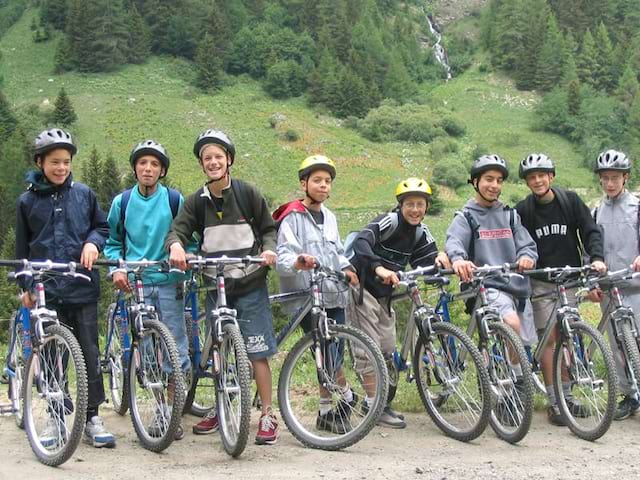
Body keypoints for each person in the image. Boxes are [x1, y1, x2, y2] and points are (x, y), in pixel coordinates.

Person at [165, 129, 279, 445]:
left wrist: (269, 250)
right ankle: (222, 404)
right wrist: (176, 246)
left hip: (250, 283)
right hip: (216, 284)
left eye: (218, 156)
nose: (213, 162)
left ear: (228, 160)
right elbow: (178, 231)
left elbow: (269, 230)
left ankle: (268, 414)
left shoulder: (247, 194)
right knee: (219, 349)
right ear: (202, 164)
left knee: (257, 352)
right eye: (207, 158)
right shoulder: (196, 202)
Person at [15, 128, 115, 448]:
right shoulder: (26, 201)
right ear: (40, 162)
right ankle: (57, 418)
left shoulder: (84, 194)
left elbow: (101, 226)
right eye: (54, 162)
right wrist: (27, 286)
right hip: (46, 291)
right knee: (52, 357)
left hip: (81, 286)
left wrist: (92, 244)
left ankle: (91, 418)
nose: (61, 168)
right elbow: (22, 253)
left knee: (88, 352)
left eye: (66, 162)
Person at [104, 140, 193, 440]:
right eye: (143, 163)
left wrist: (186, 258)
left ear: (162, 170)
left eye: (154, 164)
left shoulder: (174, 200)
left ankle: (171, 409)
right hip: (136, 283)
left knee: (175, 348)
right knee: (146, 351)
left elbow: (187, 237)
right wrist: (116, 267)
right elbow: (114, 242)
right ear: (135, 168)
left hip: (168, 282)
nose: (148, 168)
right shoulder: (123, 202)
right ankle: (159, 408)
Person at [348, 177, 450, 428]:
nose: (415, 209)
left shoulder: (420, 232)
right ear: (400, 206)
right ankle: (375, 407)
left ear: (426, 207)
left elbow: (425, 263)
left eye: (420, 204)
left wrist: (442, 260)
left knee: (386, 348)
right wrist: (378, 267)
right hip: (362, 288)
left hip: (386, 295)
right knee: (367, 349)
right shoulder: (390, 221)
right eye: (410, 204)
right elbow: (361, 241)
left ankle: (376, 402)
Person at [515, 153, 606, 425]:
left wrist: (597, 257)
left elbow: (590, 231)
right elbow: (519, 242)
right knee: (551, 339)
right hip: (541, 282)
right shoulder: (524, 210)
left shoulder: (570, 202)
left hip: (569, 280)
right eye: (532, 177)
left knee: (568, 337)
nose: (537, 180)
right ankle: (556, 402)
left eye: (542, 175)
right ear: (527, 182)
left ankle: (567, 397)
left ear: (551, 177)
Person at [445, 154, 537, 419]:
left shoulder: (510, 215)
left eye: (498, 180)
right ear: (475, 182)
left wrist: (527, 256)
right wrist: (459, 260)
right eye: (488, 179)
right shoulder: (465, 217)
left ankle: (511, 393)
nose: (494, 185)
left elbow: (527, 244)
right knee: (512, 326)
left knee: (524, 342)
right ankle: (521, 386)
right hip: (486, 287)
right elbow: (454, 243)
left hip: (517, 287)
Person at [273, 155, 359, 434]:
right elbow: (283, 254)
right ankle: (345, 398)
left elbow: (338, 252)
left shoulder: (331, 217)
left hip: (334, 293)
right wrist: (298, 261)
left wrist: (348, 268)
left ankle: (326, 411)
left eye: (327, 181)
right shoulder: (292, 216)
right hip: (307, 296)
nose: (323, 186)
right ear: (304, 183)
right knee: (324, 352)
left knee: (332, 353)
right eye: (317, 180)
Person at [589, 150, 640, 420]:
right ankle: (629, 395)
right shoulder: (596, 211)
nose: (610, 183)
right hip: (610, 289)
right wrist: (592, 283)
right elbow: (591, 251)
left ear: (626, 177)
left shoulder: (637, 207)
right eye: (605, 178)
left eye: (615, 178)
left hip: (636, 287)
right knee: (618, 346)